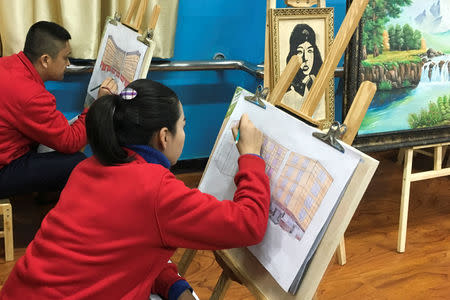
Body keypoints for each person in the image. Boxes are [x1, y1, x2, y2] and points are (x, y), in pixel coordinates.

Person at [0, 79, 271, 300]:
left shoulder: (86, 168)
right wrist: (251, 156)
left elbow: (119, 255)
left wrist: (172, 284)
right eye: (183, 126)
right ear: (164, 137)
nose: (184, 134)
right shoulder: (155, 190)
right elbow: (249, 223)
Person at [0, 21, 116, 198]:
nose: (68, 63)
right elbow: (71, 142)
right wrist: (98, 105)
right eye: (65, 57)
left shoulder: (7, 63)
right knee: (75, 162)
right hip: (3, 170)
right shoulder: (31, 95)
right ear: (45, 60)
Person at [282, 23, 323, 113]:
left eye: (309, 51)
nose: (306, 58)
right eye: (300, 52)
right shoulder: (288, 93)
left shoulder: (319, 86)